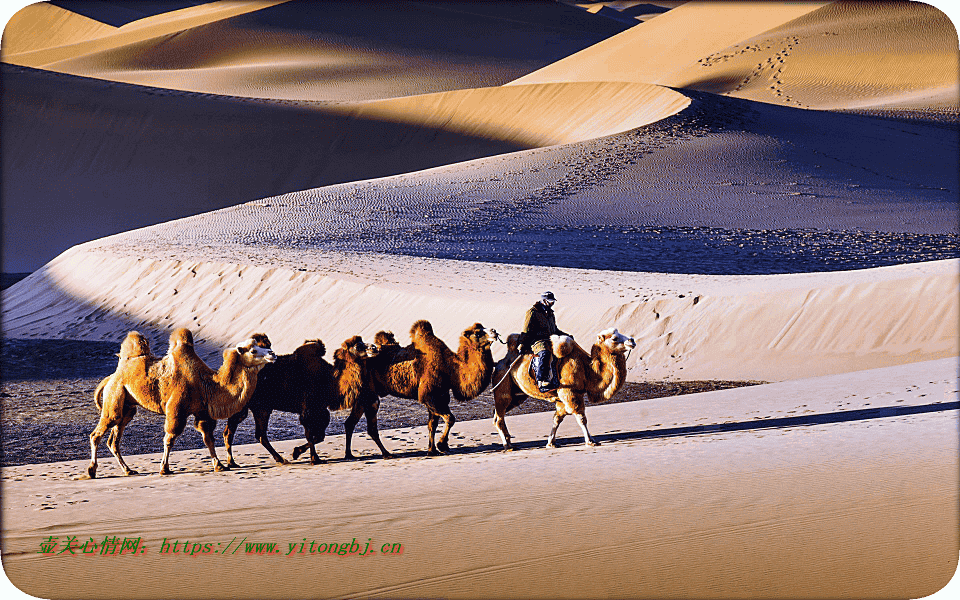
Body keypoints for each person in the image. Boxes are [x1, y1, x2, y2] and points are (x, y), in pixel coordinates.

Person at [517, 291, 569, 393]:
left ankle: (556, 379)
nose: (552, 303)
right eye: (550, 301)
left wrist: (566, 335)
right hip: (537, 341)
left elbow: (555, 330)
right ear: (544, 300)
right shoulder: (533, 312)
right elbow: (526, 330)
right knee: (545, 353)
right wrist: (522, 344)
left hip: (551, 340)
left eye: (553, 301)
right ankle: (542, 381)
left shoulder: (550, 314)